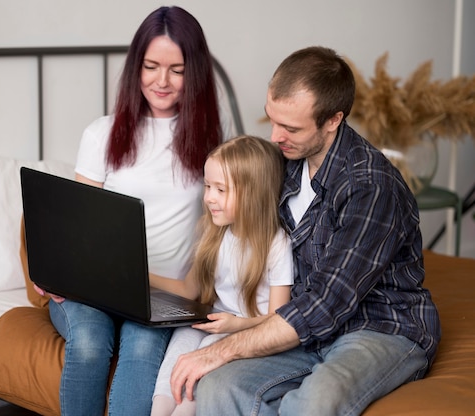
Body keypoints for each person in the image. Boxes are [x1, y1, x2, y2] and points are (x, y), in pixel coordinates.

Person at [168, 46, 442, 416]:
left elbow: (326, 304)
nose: (276, 137)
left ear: (333, 120)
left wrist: (224, 348)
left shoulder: (371, 187)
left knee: (313, 403)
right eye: (272, 120)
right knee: (218, 387)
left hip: (379, 327)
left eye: (291, 128)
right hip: (305, 327)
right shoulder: (286, 162)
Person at [33, 6, 228, 416]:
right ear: (135, 67)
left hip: (162, 295)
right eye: (151, 66)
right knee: (88, 345)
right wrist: (55, 272)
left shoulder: (213, 140)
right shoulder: (101, 133)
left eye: (176, 69)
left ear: (195, 73)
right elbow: (78, 225)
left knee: (140, 351)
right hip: (92, 289)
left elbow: (219, 229)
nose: (162, 81)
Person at [149, 135, 294, 416]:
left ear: (253, 194)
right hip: (213, 321)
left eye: (221, 190)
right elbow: (189, 289)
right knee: (175, 364)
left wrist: (236, 325)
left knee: (193, 378)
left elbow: (280, 318)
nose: (209, 198)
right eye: (207, 186)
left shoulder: (277, 244)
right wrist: (143, 276)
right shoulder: (214, 232)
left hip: (246, 330)